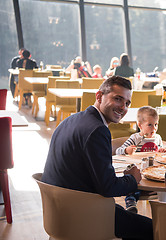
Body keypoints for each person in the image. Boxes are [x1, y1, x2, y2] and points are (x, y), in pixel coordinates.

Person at [41, 76, 153, 240]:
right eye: (117, 99)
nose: (123, 107)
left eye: (127, 103)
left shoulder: (70, 120)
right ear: (99, 96)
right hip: (82, 215)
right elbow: (108, 188)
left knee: (124, 215)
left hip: (58, 211)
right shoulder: (97, 130)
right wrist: (132, 179)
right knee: (153, 228)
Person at [116, 106, 166, 213]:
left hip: (153, 172)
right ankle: (131, 204)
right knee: (134, 185)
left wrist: (162, 151)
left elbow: (160, 155)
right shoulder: (135, 138)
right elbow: (118, 151)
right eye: (150, 125)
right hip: (138, 172)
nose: (154, 128)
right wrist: (127, 150)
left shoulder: (158, 138)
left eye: (156, 124)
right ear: (140, 125)